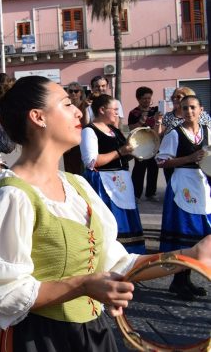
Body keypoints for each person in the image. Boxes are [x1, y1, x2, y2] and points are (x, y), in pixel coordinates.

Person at [0, 75, 211, 351]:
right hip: (42, 339)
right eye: (65, 104)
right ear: (38, 117)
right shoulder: (12, 196)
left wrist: (190, 256)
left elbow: (118, 263)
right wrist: (82, 285)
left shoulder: (77, 186)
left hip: (94, 333)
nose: (77, 110)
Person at [157, 94, 211, 300]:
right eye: (185, 108)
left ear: (201, 110)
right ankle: (178, 281)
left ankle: (187, 280)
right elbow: (161, 161)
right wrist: (189, 158)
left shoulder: (207, 131)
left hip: (201, 183)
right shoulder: (175, 134)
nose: (189, 111)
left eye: (193, 108)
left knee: (198, 233)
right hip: (183, 183)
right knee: (183, 232)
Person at [80, 95, 145, 254]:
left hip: (122, 183)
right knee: (112, 223)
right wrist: (121, 151)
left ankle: (130, 263)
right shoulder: (89, 131)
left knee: (128, 222)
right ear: (102, 110)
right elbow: (91, 162)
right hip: (104, 182)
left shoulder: (114, 130)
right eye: (114, 110)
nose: (117, 113)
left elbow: (123, 155)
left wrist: (135, 152)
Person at [127, 86, 161, 201]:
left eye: (149, 98)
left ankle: (151, 193)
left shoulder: (155, 110)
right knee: (139, 169)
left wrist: (158, 120)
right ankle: (136, 194)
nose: (147, 101)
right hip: (139, 144)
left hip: (153, 143)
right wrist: (142, 120)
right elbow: (131, 128)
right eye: (144, 98)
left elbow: (160, 127)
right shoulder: (133, 113)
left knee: (153, 168)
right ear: (138, 99)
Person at [62, 82, 89, 175]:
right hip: (68, 142)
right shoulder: (64, 107)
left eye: (76, 91)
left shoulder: (85, 105)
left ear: (81, 92)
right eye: (71, 91)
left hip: (82, 140)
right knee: (70, 170)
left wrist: (85, 109)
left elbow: (86, 124)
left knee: (82, 170)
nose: (73, 93)